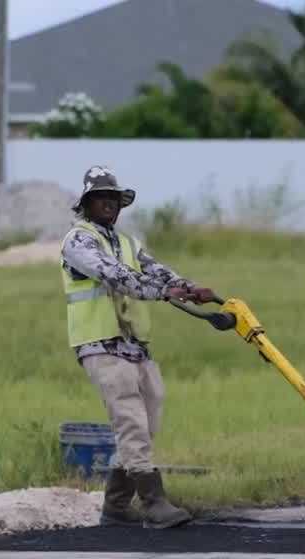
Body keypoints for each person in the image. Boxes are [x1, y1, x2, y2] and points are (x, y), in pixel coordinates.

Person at [60, 165, 216, 529]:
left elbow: (155, 269)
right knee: (130, 418)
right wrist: (163, 292)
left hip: (133, 343)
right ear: (86, 203)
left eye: (114, 199)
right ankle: (153, 502)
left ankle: (115, 505)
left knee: (149, 416)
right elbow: (115, 275)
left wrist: (190, 288)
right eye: (101, 198)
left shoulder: (128, 242)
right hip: (99, 342)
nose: (109, 205)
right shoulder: (78, 241)